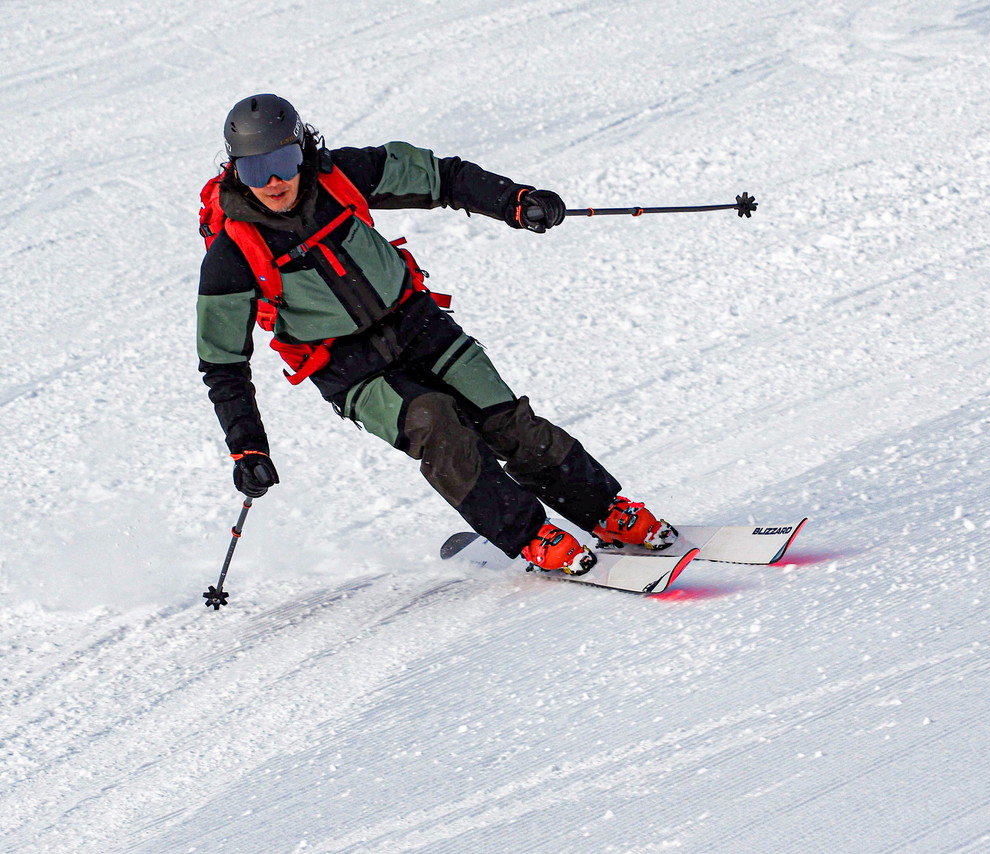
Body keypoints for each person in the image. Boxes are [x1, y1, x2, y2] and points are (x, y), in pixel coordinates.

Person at [198, 93, 675, 575]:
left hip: (419, 326)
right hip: (352, 370)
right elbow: (222, 364)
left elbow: (441, 176)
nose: (274, 181)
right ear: (236, 169)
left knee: (506, 420)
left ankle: (605, 511)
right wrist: (248, 447)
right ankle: (530, 535)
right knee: (438, 426)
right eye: (257, 170)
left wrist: (514, 201)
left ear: (303, 150)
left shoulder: (342, 175)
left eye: (283, 161)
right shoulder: (230, 254)